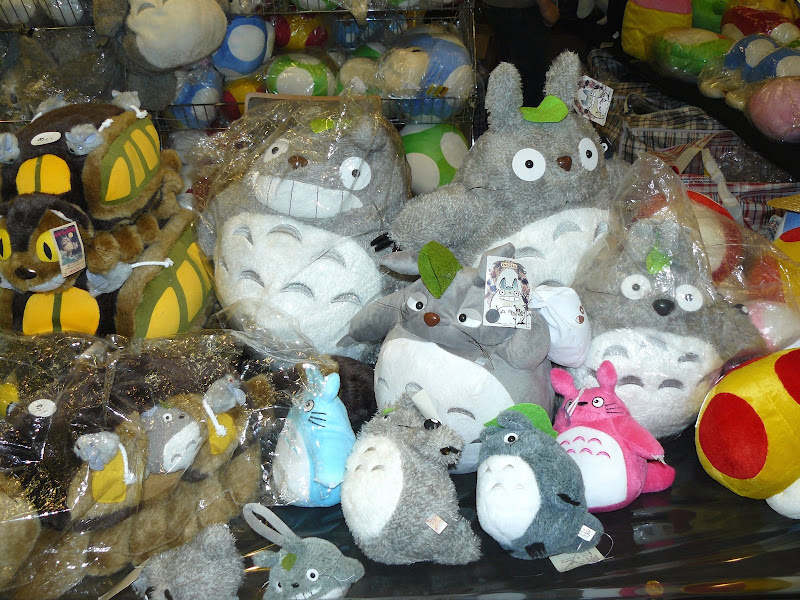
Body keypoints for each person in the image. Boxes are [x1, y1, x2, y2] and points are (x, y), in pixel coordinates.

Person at [481, 0, 560, 106]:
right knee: (528, 85)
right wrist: (545, 5)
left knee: (505, 74)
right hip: (520, 9)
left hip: (499, 8)